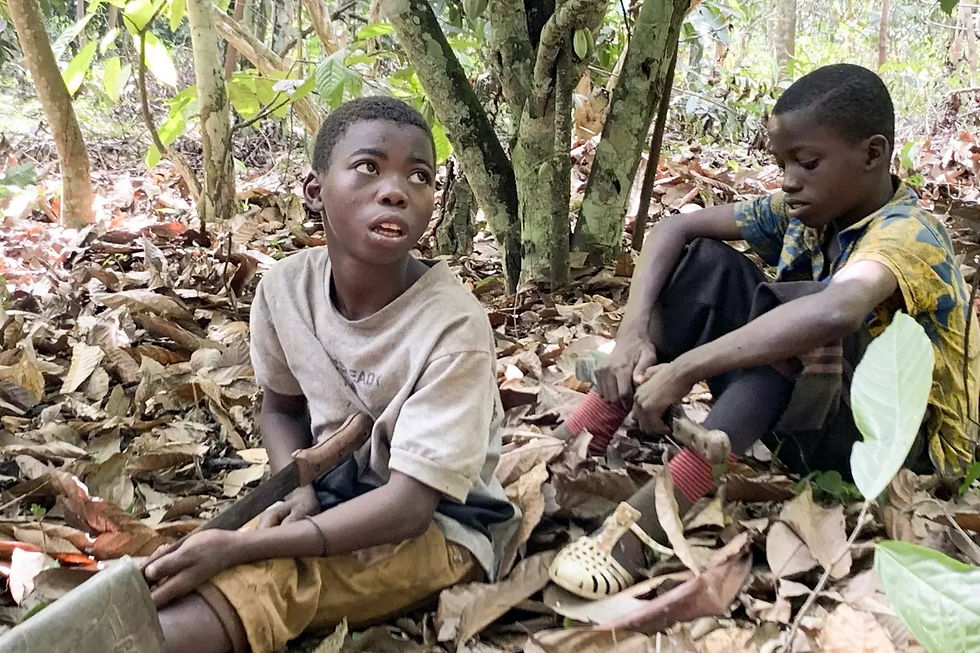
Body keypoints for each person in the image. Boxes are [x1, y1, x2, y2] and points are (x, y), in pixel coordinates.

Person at [548, 63, 980, 599]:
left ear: (872, 154)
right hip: (812, 418)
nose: (788, 179)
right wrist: (633, 331)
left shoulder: (910, 232)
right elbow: (672, 227)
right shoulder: (806, 210)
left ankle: (649, 522)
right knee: (702, 263)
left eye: (807, 162)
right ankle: (578, 439)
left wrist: (687, 368)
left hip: (895, 455)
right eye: (782, 163)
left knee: (805, 311)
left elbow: (837, 312)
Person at [141, 96, 518, 653]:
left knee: (264, 580)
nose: (396, 190)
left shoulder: (453, 323)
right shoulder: (284, 290)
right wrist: (292, 490)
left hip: (442, 527)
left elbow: (410, 508)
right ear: (315, 190)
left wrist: (247, 549)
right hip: (331, 496)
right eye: (369, 167)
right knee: (172, 565)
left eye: (419, 176)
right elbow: (281, 410)